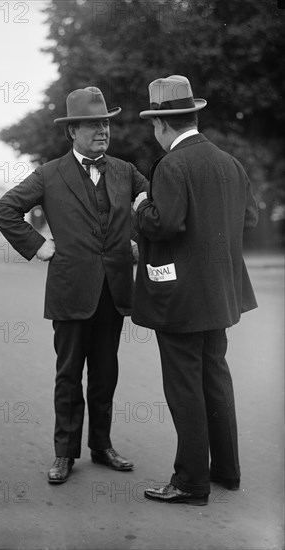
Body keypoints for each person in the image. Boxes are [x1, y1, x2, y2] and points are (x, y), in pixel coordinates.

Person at [0, 86, 148, 484]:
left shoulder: (125, 171)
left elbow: (154, 202)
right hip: (69, 291)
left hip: (114, 292)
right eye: (92, 124)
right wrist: (39, 245)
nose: (102, 130)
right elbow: (5, 209)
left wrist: (138, 241)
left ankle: (102, 446)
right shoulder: (49, 173)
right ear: (71, 132)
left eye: (105, 123)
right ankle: (64, 453)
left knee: (105, 374)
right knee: (68, 376)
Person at [132, 75, 258, 505]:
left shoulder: (172, 165)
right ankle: (226, 471)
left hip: (180, 299)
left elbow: (163, 223)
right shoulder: (229, 162)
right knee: (216, 381)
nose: (154, 132)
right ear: (192, 116)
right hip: (221, 294)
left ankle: (190, 482)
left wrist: (140, 207)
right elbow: (251, 219)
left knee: (184, 388)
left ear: (163, 124)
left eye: (153, 124)